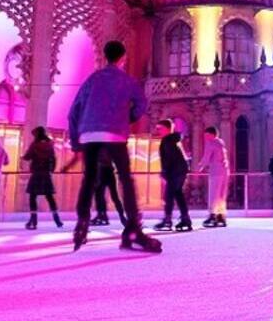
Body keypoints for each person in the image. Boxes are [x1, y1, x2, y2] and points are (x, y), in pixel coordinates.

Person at [67, 40, 160, 253]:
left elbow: (73, 112)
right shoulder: (126, 80)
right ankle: (134, 228)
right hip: (114, 133)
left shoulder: (92, 80)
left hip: (89, 134)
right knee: (125, 179)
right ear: (123, 58)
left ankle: (82, 222)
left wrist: (76, 142)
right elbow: (142, 104)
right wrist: (128, 117)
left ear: (105, 56)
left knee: (89, 179)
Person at [154, 119, 192, 232]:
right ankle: (185, 218)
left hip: (174, 171)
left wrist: (164, 171)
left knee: (169, 195)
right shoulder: (173, 140)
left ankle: (167, 219)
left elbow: (169, 158)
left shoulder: (167, 141)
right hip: (180, 170)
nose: (158, 131)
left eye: (159, 128)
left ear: (166, 129)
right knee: (177, 193)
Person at [23, 127, 63, 230]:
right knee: (49, 197)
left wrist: (22, 157)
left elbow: (28, 156)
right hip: (46, 173)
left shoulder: (35, 145)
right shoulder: (50, 144)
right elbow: (54, 158)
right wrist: (51, 170)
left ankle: (33, 220)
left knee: (32, 197)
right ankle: (57, 219)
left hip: (36, 172)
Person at [196, 126, 230, 228]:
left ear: (211, 134)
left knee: (214, 194)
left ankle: (212, 215)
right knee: (221, 195)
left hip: (216, 172)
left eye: (206, 135)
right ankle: (221, 215)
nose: (205, 138)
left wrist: (199, 168)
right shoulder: (221, 143)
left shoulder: (211, 143)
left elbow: (206, 157)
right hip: (225, 171)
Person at [91, 159, 127, 228]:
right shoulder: (108, 149)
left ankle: (102, 216)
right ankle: (104, 216)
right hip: (107, 171)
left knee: (100, 194)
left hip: (104, 171)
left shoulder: (101, 149)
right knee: (103, 195)